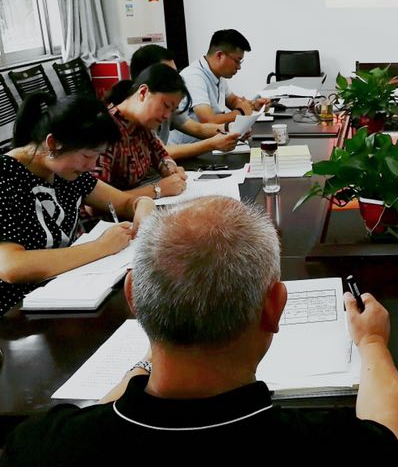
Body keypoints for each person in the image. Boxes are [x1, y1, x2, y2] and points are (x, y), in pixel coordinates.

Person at [1, 197, 398, 465]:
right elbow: (391, 428)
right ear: (274, 307)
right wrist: (372, 341)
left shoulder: (38, 448)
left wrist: (144, 364)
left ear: (133, 297)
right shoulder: (327, 449)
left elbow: (95, 418)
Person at [0, 94, 155, 315]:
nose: (92, 166)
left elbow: (127, 202)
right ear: (53, 144)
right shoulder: (6, 177)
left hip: (69, 291)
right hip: (16, 312)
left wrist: (144, 206)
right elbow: (10, 266)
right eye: (87, 156)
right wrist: (101, 247)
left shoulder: (66, 172)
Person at [128, 44, 240, 158]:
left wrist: (230, 128)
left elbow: (196, 128)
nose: (175, 81)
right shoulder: (129, 116)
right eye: (168, 76)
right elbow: (158, 152)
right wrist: (211, 144)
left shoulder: (166, 104)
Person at [98, 63, 189, 200]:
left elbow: (161, 155)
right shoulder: (105, 130)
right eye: (166, 105)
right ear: (143, 92)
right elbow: (97, 201)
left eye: (172, 110)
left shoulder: (142, 125)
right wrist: (158, 189)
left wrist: (169, 168)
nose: (167, 116)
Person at [169, 29, 269, 145]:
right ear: (219, 55)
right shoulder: (194, 77)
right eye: (237, 61)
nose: (239, 67)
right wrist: (242, 112)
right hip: (188, 150)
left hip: (211, 144)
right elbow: (208, 120)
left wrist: (253, 105)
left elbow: (233, 100)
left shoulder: (217, 74)